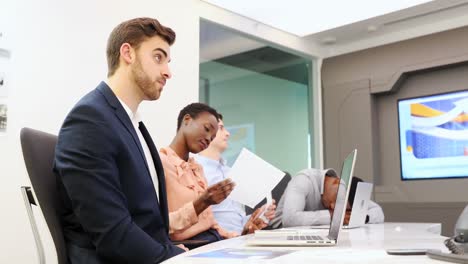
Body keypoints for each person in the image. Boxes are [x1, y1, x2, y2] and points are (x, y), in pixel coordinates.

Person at [55, 17, 195, 263]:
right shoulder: (89, 120)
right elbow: (113, 234)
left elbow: (145, 220)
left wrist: (175, 252)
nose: (168, 72)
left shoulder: (131, 122)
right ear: (127, 53)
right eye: (158, 57)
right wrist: (173, 258)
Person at [160, 103, 238, 244]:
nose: (208, 138)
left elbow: (210, 222)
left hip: (211, 239)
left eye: (212, 137)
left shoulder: (196, 168)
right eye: (206, 129)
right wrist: (204, 201)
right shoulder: (160, 163)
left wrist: (240, 234)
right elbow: (161, 225)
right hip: (189, 245)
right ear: (187, 120)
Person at [195, 115, 277, 235]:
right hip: (217, 240)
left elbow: (237, 218)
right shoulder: (195, 169)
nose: (227, 133)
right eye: (221, 128)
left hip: (240, 238)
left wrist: (257, 216)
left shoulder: (230, 172)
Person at [270, 168, 384, 228]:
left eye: (343, 207)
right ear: (336, 182)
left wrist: (361, 218)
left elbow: (377, 211)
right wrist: (334, 216)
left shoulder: (344, 191)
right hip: (278, 233)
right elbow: (290, 219)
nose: (333, 207)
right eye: (336, 200)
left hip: (309, 232)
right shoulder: (303, 179)